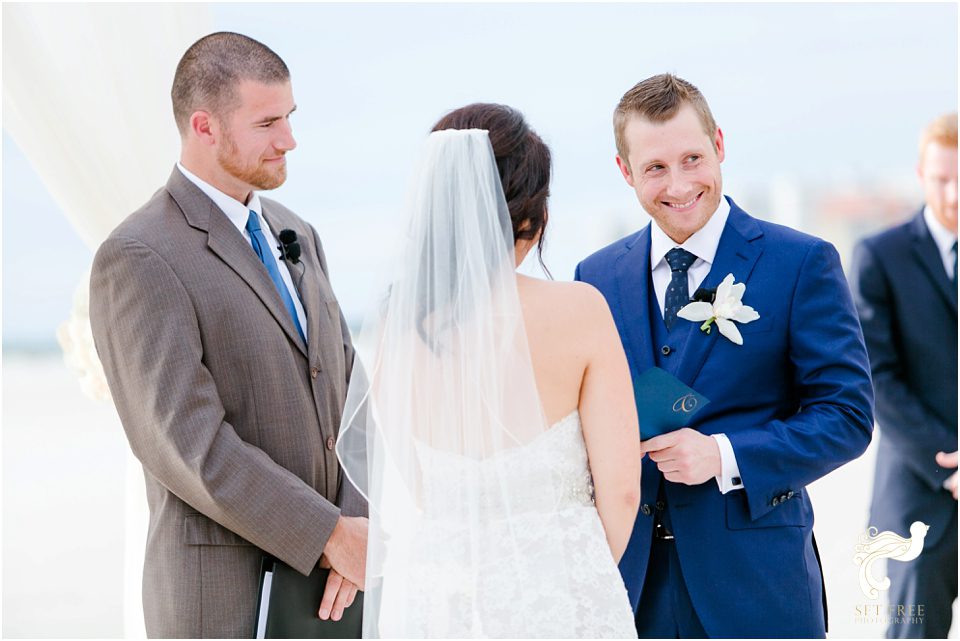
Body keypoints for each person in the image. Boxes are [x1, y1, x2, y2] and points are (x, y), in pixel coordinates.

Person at [575, 74, 875, 638]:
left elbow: (847, 417)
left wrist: (724, 455)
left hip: (757, 586)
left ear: (719, 144)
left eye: (692, 158)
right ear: (625, 172)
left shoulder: (800, 262)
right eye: (655, 168)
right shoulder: (595, 277)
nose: (680, 184)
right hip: (629, 591)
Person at [89, 32, 366, 637]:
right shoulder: (138, 254)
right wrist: (328, 533)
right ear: (204, 126)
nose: (289, 139)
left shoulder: (300, 233)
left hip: (333, 594)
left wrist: (357, 522)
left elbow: (349, 392)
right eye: (267, 122)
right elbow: (188, 445)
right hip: (222, 602)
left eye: (290, 116)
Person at [336, 104, 641, 637]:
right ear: (531, 214)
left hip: (443, 600)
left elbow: (418, 486)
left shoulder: (393, 328)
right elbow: (622, 494)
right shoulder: (580, 310)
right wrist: (574, 578)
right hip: (563, 593)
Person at [850, 112, 958, 639]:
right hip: (920, 496)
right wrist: (949, 463)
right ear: (921, 174)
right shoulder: (880, 256)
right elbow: (877, 377)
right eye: (942, 179)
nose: (954, 193)